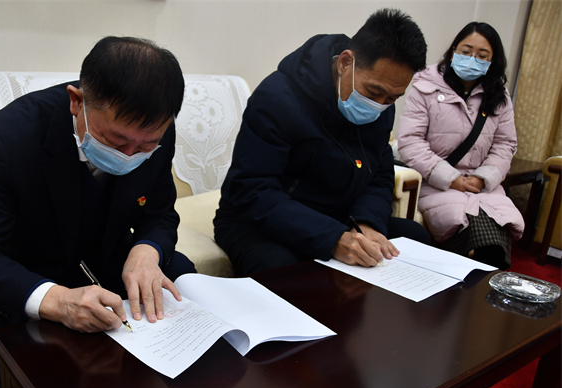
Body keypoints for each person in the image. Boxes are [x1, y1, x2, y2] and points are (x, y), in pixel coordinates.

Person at [0, 36, 195, 388]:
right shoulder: (9, 138)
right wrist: (58, 301)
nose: (131, 154)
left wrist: (146, 252)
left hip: (106, 254)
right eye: (117, 142)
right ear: (77, 102)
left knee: (179, 274)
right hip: (28, 266)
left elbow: (161, 214)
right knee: (26, 360)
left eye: (146, 146)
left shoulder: (154, 132)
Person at [213, 8, 430, 276]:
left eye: (393, 98)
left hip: (339, 218)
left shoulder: (381, 106)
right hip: (260, 223)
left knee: (413, 238)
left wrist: (366, 223)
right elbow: (252, 191)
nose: (380, 105)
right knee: (287, 274)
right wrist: (333, 238)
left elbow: (380, 175)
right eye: (374, 92)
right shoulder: (277, 98)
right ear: (345, 63)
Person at [397, 22, 523, 269]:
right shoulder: (425, 85)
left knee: (498, 230)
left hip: (481, 187)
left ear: (492, 61)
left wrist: (483, 178)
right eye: (466, 52)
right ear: (453, 50)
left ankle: (482, 286)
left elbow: (505, 144)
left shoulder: (499, 94)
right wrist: (450, 177)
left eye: (482, 56)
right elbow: (410, 141)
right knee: (469, 228)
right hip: (436, 183)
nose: (472, 59)